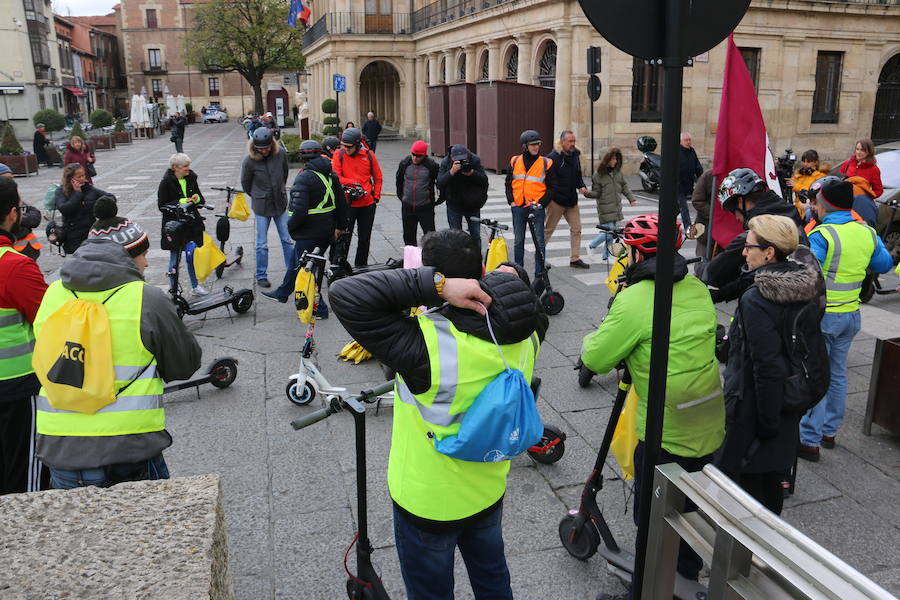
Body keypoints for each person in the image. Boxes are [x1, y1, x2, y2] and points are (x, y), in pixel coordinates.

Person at [329, 228, 547, 600]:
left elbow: (345, 293)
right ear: (480, 268)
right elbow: (522, 295)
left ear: (431, 275)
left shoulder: (424, 345)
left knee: (432, 593)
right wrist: (509, 270)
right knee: (493, 578)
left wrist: (438, 287)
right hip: (487, 487)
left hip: (427, 501)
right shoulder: (527, 333)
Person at [581, 213, 724, 591]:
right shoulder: (695, 287)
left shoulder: (635, 300)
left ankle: (641, 591)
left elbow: (595, 359)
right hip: (709, 416)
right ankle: (687, 574)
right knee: (691, 509)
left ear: (635, 253)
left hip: (667, 428)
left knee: (653, 518)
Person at [34, 196, 201, 489]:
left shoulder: (53, 294)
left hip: (61, 445)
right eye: (142, 254)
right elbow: (185, 365)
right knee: (149, 530)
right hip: (130, 446)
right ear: (125, 255)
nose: (147, 261)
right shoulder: (145, 298)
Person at [715, 214, 821, 514]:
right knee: (771, 481)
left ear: (769, 252)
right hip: (789, 399)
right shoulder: (803, 286)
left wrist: (766, 422)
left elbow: (765, 366)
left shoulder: (757, 299)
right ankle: (765, 547)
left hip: (754, 406)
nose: (744, 252)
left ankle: (741, 551)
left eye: (749, 247)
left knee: (738, 483)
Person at [798, 180, 892, 462]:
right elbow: (884, 265)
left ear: (823, 204)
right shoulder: (866, 232)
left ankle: (809, 439)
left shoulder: (822, 235)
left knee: (816, 375)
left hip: (824, 317)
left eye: (816, 202)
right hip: (851, 315)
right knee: (837, 374)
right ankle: (829, 431)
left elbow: (806, 276)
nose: (813, 206)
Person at [0, 177, 49, 494]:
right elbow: (50, 320)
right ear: (12, 214)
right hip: (16, 389)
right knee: (25, 478)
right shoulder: (15, 267)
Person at [262, 139, 348, 315]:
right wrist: (341, 226)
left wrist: (291, 227)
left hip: (309, 232)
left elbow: (299, 211)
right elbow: (341, 203)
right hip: (327, 230)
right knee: (297, 263)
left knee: (306, 271)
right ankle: (283, 292)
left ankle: (320, 309)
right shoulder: (330, 174)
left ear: (302, 156)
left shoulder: (304, 177)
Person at [703, 168, 804, 303]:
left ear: (740, 201)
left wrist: (702, 270)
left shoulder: (759, 232)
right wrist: (723, 294)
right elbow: (756, 275)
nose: (736, 217)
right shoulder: (788, 214)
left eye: (733, 210)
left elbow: (715, 272)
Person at [241, 127, 293, 289]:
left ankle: (293, 271)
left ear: (271, 144)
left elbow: (284, 174)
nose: (263, 151)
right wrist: (258, 195)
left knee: (287, 240)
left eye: (266, 147)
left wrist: (280, 190)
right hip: (262, 205)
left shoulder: (280, 154)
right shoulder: (249, 161)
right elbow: (246, 184)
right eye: (260, 148)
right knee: (261, 243)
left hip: (280, 203)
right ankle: (261, 275)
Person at [505, 130, 556, 276]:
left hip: (536, 208)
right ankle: (518, 271)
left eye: (538, 144)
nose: (536, 147)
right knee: (518, 241)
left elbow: (553, 187)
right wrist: (511, 201)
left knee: (539, 242)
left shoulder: (546, 163)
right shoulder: (515, 161)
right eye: (532, 145)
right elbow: (508, 182)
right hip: (519, 207)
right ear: (525, 146)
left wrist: (541, 204)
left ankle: (540, 273)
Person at [157, 152, 207, 296]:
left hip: (191, 222)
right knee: (174, 258)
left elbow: (200, 199)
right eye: (185, 166)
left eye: (188, 166)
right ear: (175, 168)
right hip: (174, 226)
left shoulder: (191, 178)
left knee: (192, 255)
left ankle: (196, 286)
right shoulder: (166, 182)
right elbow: (161, 205)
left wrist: (197, 199)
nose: (188, 169)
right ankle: (173, 289)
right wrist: (182, 201)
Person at [331, 128, 382, 267]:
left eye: (349, 146)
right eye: (343, 145)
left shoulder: (369, 155)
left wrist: (376, 197)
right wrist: (354, 183)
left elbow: (378, 177)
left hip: (367, 204)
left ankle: (361, 267)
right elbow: (336, 177)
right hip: (347, 204)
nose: (345, 148)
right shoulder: (339, 154)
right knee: (344, 238)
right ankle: (339, 266)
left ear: (357, 144)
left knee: (364, 239)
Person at [545, 130, 590, 269]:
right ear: (562, 142)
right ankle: (539, 257)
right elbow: (547, 180)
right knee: (548, 230)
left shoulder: (576, 155)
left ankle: (575, 259)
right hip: (556, 201)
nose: (572, 144)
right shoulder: (552, 157)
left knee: (577, 228)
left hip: (571, 200)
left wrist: (581, 186)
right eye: (570, 141)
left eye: (574, 141)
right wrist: (550, 198)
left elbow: (578, 176)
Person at [585, 147, 637, 261]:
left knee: (610, 233)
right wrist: (587, 193)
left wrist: (631, 198)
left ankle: (606, 256)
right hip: (605, 207)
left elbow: (624, 187)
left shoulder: (618, 173)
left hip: (616, 207)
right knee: (612, 232)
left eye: (616, 158)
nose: (616, 161)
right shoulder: (598, 175)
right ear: (606, 160)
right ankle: (591, 245)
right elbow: (597, 193)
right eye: (613, 159)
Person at [438, 144, 489, 250]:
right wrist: (451, 172)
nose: (461, 162)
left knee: (475, 235)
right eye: (458, 160)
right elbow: (440, 183)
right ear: (452, 157)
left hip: (472, 204)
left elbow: (484, 181)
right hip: (454, 204)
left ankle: (476, 260)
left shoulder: (474, 160)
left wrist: (472, 173)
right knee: (455, 236)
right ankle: (459, 260)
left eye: (463, 160)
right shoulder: (446, 162)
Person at [54, 162, 111, 255]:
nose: (82, 179)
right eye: (79, 177)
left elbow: (110, 197)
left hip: (90, 233)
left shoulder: (89, 189)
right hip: (73, 235)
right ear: (70, 178)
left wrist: (99, 207)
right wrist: (77, 193)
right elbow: (64, 209)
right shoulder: (61, 191)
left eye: (83, 175)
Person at [395, 140, 439, 246]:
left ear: (424, 155)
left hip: (425, 207)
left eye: (418, 156)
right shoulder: (405, 163)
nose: (414, 158)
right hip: (408, 207)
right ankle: (411, 260)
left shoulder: (431, 165)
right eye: (413, 154)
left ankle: (430, 259)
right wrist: (403, 197)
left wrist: (437, 200)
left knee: (430, 238)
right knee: (408, 238)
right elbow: (399, 181)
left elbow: (440, 182)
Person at [678, 132, 703, 229]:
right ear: (680, 141)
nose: (688, 142)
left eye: (689, 140)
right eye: (686, 140)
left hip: (688, 184)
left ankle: (664, 223)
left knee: (677, 208)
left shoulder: (692, 151)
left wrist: (701, 178)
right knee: (684, 207)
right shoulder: (677, 151)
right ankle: (688, 228)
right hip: (678, 185)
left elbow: (697, 166)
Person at [690, 168, 714, 262]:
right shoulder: (708, 176)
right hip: (706, 229)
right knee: (702, 261)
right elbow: (697, 200)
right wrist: (713, 214)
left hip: (726, 231)